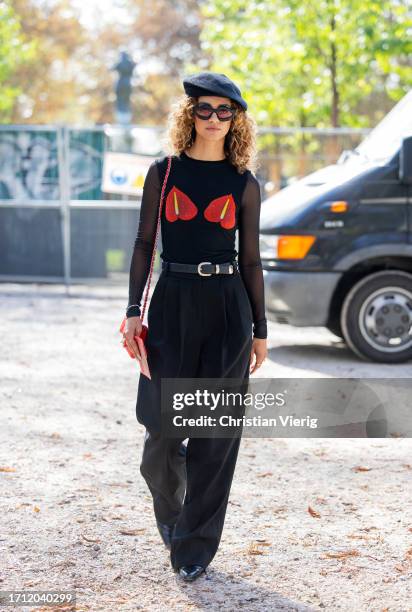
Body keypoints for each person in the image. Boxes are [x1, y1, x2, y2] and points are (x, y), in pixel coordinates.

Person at [123, 71, 268, 582]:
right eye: (203, 109)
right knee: (162, 433)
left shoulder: (244, 183)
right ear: (189, 114)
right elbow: (144, 245)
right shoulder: (163, 173)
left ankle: (194, 547)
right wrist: (131, 311)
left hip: (229, 309)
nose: (212, 119)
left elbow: (251, 260)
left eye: (223, 111)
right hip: (172, 304)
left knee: (216, 435)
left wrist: (261, 329)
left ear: (236, 119)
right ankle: (175, 514)